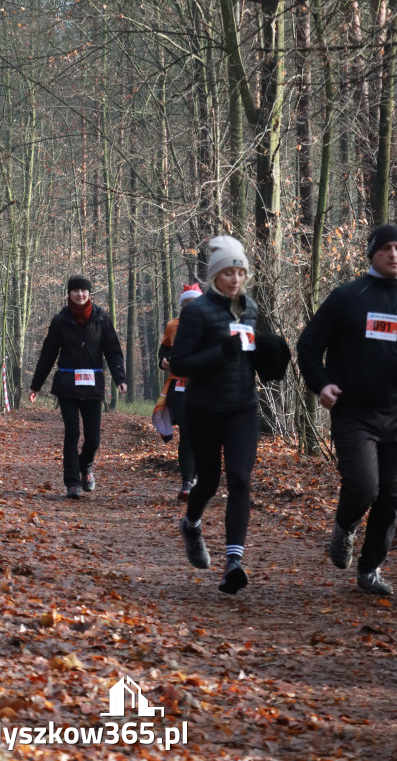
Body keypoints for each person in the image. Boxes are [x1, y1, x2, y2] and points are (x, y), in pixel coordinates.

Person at [297, 224, 397, 596]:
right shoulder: (348, 297)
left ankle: (370, 570)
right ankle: (345, 527)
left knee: (393, 493)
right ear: (372, 254)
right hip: (354, 411)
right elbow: (307, 346)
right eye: (386, 248)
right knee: (364, 485)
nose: (394, 254)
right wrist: (322, 384)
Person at [169, 235, 259, 595]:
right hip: (204, 408)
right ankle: (191, 525)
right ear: (215, 275)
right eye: (228, 272)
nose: (235, 278)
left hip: (242, 407)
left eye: (240, 271)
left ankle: (233, 562)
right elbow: (180, 363)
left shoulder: (250, 308)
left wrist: (268, 356)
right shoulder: (196, 312)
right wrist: (219, 352)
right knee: (207, 481)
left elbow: (248, 354)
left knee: (239, 479)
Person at [29, 274, 127, 499]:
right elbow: (48, 354)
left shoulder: (102, 319)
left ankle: (86, 466)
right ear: (69, 294)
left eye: (84, 290)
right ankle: (72, 482)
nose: (80, 294)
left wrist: (120, 378)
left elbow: (113, 351)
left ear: (89, 293)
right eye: (76, 291)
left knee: (93, 438)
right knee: (72, 433)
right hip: (67, 386)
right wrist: (36, 385)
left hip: (93, 387)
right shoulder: (60, 320)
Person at [157, 283, 203, 500]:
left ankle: (197, 478)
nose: (190, 307)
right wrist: (163, 361)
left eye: (194, 303)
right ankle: (187, 482)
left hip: (204, 384)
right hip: (178, 384)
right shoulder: (172, 325)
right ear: (182, 305)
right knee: (186, 431)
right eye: (186, 303)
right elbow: (163, 351)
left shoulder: (210, 325)